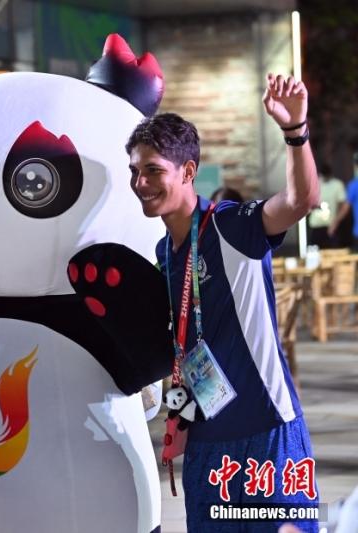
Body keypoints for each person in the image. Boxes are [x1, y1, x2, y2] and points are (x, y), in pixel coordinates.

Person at [126, 73, 320, 532]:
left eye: (153, 169)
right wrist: (181, 421)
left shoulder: (232, 228)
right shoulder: (163, 256)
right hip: (208, 448)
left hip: (267, 432)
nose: (140, 182)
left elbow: (301, 199)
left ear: (188, 172)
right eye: (134, 170)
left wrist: (295, 131)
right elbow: (184, 350)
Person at [308, 164, 347, 249]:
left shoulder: (337, 185)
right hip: (316, 225)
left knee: (333, 252)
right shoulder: (315, 184)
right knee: (314, 253)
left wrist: (335, 222)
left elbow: (342, 205)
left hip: (331, 225)